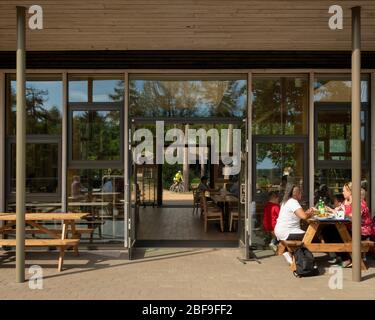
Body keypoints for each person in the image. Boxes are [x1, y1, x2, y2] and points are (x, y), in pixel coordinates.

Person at [274, 185, 314, 264]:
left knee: (309, 235)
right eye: (300, 193)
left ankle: (289, 254)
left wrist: (307, 212)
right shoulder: (293, 202)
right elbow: (304, 216)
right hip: (288, 232)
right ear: (296, 194)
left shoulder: (286, 201)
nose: (301, 195)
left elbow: (299, 214)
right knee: (312, 237)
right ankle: (301, 257)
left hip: (280, 231)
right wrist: (311, 213)